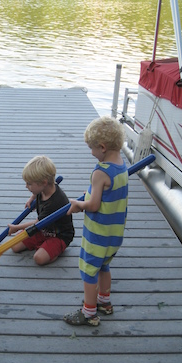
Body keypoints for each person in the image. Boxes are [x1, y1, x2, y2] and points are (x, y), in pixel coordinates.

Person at [63, 116, 128, 326]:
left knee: (89, 271)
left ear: (102, 147)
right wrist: (91, 193)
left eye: (91, 148)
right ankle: (105, 302)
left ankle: (89, 312)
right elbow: (108, 196)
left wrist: (78, 204)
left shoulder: (100, 172)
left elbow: (93, 206)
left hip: (98, 233)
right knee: (104, 266)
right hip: (114, 234)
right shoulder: (121, 166)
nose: (91, 153)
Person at [8, 155, 74, 266]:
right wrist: (32, 198)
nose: (26, 186)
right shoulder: (44, 188)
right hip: (44, 230)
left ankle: (55, 250)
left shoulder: (55, 203)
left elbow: (37, 224)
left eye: (29, 183)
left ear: (43, 182)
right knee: (15, 246)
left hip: (59, 236)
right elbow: (36, 192)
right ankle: (43, 244)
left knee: (39, 258)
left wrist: (16, 228)